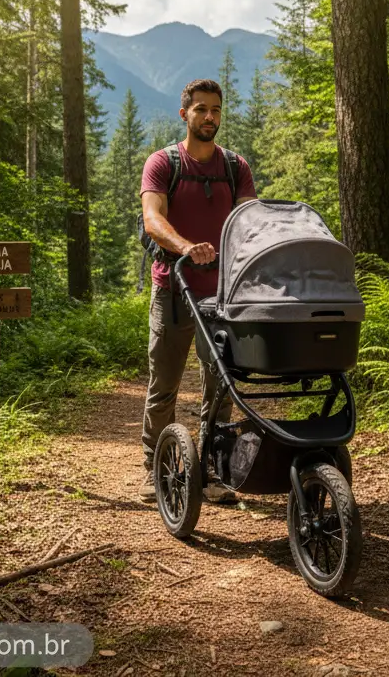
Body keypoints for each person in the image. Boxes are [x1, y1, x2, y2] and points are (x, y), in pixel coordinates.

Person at [138, 79, 257, 504]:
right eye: (201, 109)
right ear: (184, 113)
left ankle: (215, 467)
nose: (210, 117)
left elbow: (249, 220)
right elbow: (153, 219)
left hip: (223, 295)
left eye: (216, 110)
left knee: (221, 383)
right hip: (173, 289)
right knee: (164, 385)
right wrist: (187, 248)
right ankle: (156, 466)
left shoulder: (234, 167)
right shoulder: (162, 163)